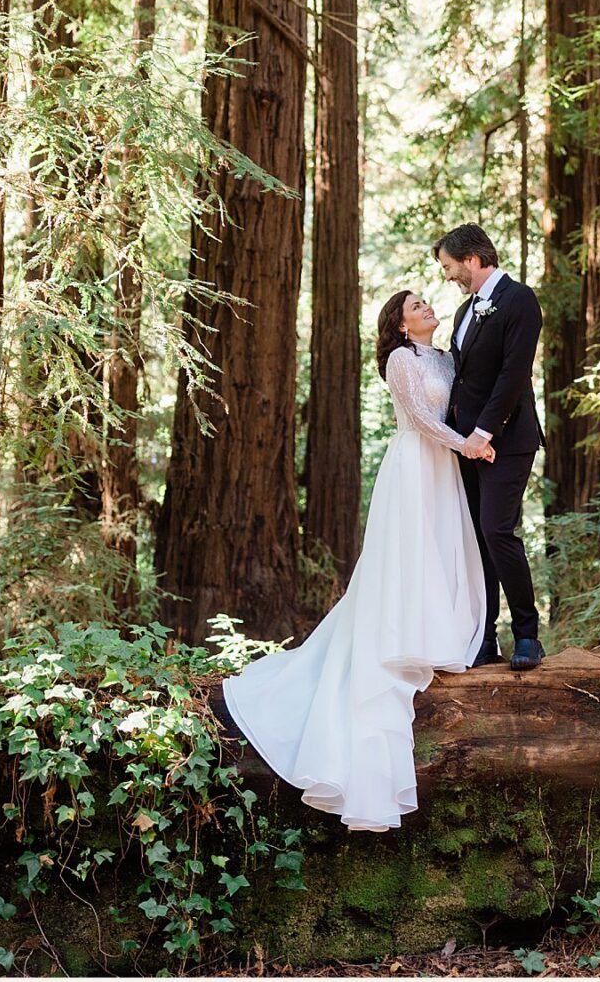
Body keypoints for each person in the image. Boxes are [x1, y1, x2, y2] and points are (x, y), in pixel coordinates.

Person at [220, 290, 493, 832]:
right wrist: (468, 445)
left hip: (445, 470)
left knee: (441, 551)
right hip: (417, 463)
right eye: (417, 305)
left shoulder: (444, 357)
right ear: (398, 323)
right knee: (407, 556)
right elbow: (418, 418)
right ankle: (396, 637)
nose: (428, 307)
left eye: (426, 302)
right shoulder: (401, 360)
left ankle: (439, 633)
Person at [436, 223, 547, 671]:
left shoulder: (519, 300)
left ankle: (527, 635)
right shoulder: (465, 314)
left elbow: (513, 373)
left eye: (449, 266)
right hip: (467, 446)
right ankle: (484, 637)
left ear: (473, 259)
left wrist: (484, 432)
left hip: (507, 440)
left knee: (498, 531)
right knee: (477, 538)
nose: (447, 276)